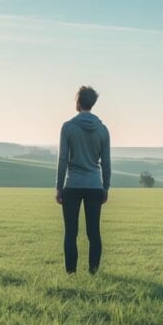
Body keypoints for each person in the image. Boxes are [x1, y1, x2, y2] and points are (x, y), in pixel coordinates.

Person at [55, 86, 111, 274]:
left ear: (78, 102)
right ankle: (93, 273)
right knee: (93, 233)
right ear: (92, 103)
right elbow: (106, 161)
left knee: (71, 232)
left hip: (73, 185)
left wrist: (59, 187)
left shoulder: (68, 127)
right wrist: (106, 187)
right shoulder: (103, 129)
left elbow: (63, 159)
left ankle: (71, 274)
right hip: (95, 186)